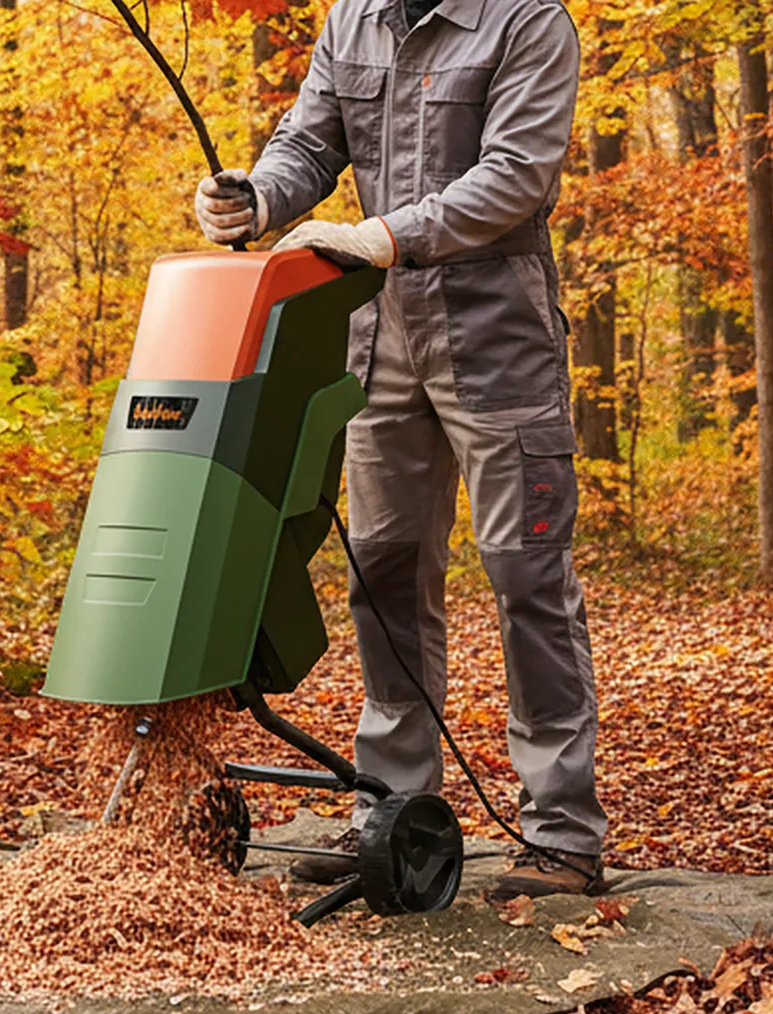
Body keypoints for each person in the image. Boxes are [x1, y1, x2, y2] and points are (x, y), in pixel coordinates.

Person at [194, 0, 606, 901]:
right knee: (381, 573)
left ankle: (564, 833)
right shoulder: (353, 20)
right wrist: (256, 194)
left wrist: (384, 234)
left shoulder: (528, 22)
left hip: (499, 341)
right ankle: (393, 809)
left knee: (527, 575)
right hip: (382, 343)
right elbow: (310, 141)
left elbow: (517, 174)